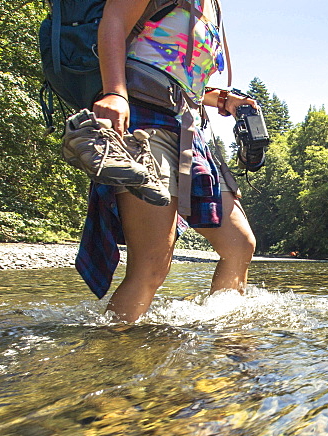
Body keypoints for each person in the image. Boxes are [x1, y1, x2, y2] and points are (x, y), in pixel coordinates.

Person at [77, 0, 256, 323]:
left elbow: (177, 70)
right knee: (152, 265)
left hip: (187, 128)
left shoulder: (213, 8)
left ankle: (226, 352)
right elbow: (114, 20)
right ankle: (108, 359)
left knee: (240, 244)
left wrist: (223, 100)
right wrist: (115, 92)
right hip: (145, 119)